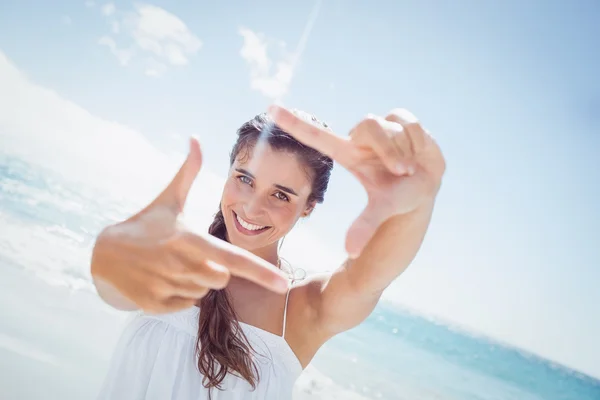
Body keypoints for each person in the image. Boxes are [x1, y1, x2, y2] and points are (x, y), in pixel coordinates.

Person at [91, 104, 446, 399]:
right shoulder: (169, 259)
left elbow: (368, 280)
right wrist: (107, 251)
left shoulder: (304, 311)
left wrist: (417, 201)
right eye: (244, 179)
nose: (251, 208)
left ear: (308, 207)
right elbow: (112, 287)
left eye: (281, 195)